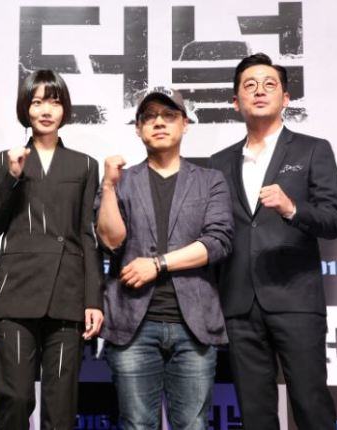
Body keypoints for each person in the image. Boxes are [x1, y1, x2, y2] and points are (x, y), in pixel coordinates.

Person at [209, 53, 337, 429]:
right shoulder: (217, 162)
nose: (259, 91)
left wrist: (291, 208)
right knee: (254, 413)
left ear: (285, 98)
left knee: (310, 403)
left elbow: (334, 221)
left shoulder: (312, 149)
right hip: (238, 304)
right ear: (236, 101)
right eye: (249, 85)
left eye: (270, 84)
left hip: (295, 299)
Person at [95, 87, 233, 429]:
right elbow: (110, 241)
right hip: (132, 325)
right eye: (149, 117)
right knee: (137, 424)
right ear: (138, 128)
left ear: (185, 124)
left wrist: (157, 264)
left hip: (194, 326)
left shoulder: (210, 181)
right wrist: (109, 187)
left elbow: (217, 242)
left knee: (193, 425)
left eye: (169, 115)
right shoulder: (122, 182)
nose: (159, 122)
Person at [0, 69, 104, 430]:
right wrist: (12, 178)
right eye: (37, 101)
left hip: (67, 294)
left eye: (54, 101)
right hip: (15, 295)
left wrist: (93, 299)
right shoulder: (4, 160)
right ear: (25, 109)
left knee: (61, 406)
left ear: (64, 110)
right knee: (15, 399)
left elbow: (87, 235)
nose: (46, 110)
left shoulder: (85, 164)